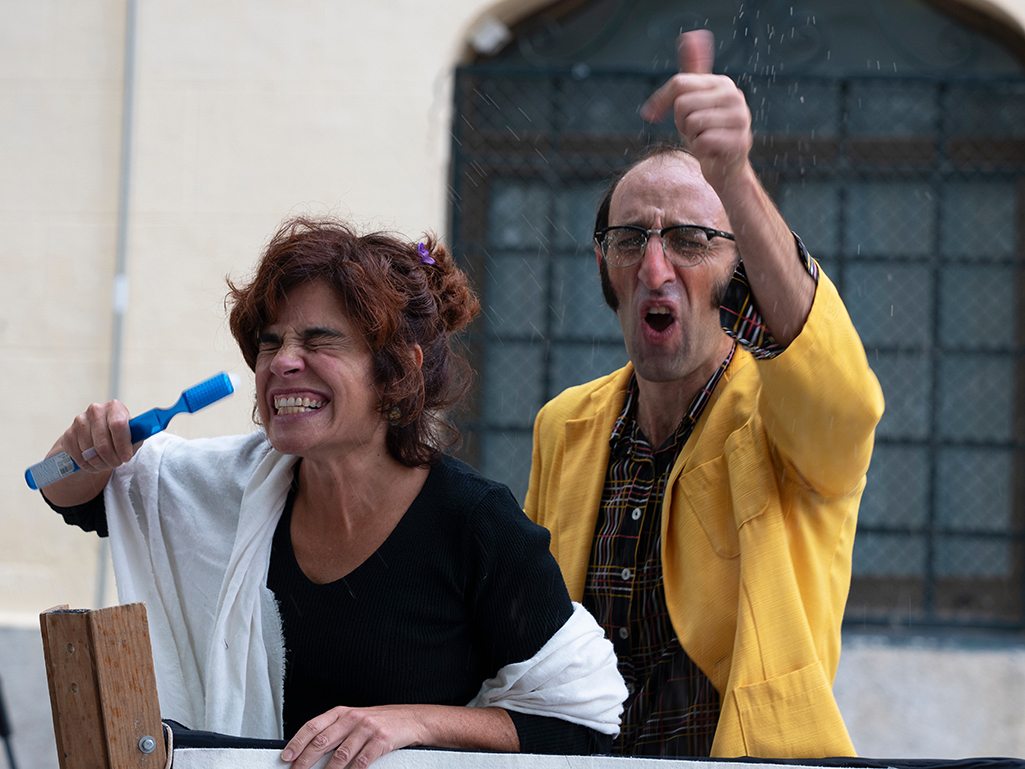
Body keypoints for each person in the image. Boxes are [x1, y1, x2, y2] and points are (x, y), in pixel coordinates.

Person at [40, 217, 626, 768]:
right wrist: (84, 448)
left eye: (320, 341)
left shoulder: (476, 523)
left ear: (399, 372)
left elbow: (583, 724)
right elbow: (66, 491)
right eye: (270, 343)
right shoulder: (232, 488)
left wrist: (415, 722)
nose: (283, 363)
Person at [524, 30, 885, 759]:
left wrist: (732, 174)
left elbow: (843, 404)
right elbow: (532, 633)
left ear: (739, 269)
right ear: (603, 263)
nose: (655, 268)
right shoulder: (564, 425)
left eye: (690, 240)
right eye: (630, 239)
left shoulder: (780, 423)